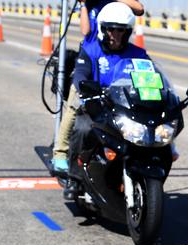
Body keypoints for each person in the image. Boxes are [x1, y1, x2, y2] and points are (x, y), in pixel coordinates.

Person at [61, 1, 148, 198]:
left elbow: (151, 78)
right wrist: (87, 90)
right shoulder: (91, 50)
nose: (115, 35)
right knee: (82, 129)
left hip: (126, 109)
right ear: (103, 29)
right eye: (111, 29)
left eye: (121, 31)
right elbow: (80, 75)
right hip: (98, 107)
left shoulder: (138, 54)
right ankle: (74, 178)